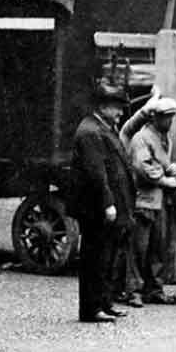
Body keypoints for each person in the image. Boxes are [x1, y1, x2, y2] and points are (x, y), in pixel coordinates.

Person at [68, 80, 136, 323]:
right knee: (96, 258)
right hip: (97, 208)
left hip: (107, 207)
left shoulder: (102, 127)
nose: (120, 112)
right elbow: (97, 173)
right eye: (116, 107)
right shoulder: (90, 132)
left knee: (107, 257)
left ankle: (104, 303)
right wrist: (108, 203)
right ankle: (92, 308)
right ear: (103, 106)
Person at [119, 94, 176, 305]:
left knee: (158, 247)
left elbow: (160, 162)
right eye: (166, 117)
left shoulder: (165, 138)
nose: (170, 122)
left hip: (159, 201)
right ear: (154, 118)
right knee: (138, 249)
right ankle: (133, 291)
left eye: (171, 117)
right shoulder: (141, 138)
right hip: (142, 200)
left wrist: (170, 168)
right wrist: (165, 179)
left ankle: (154, 289)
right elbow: (143, 167)